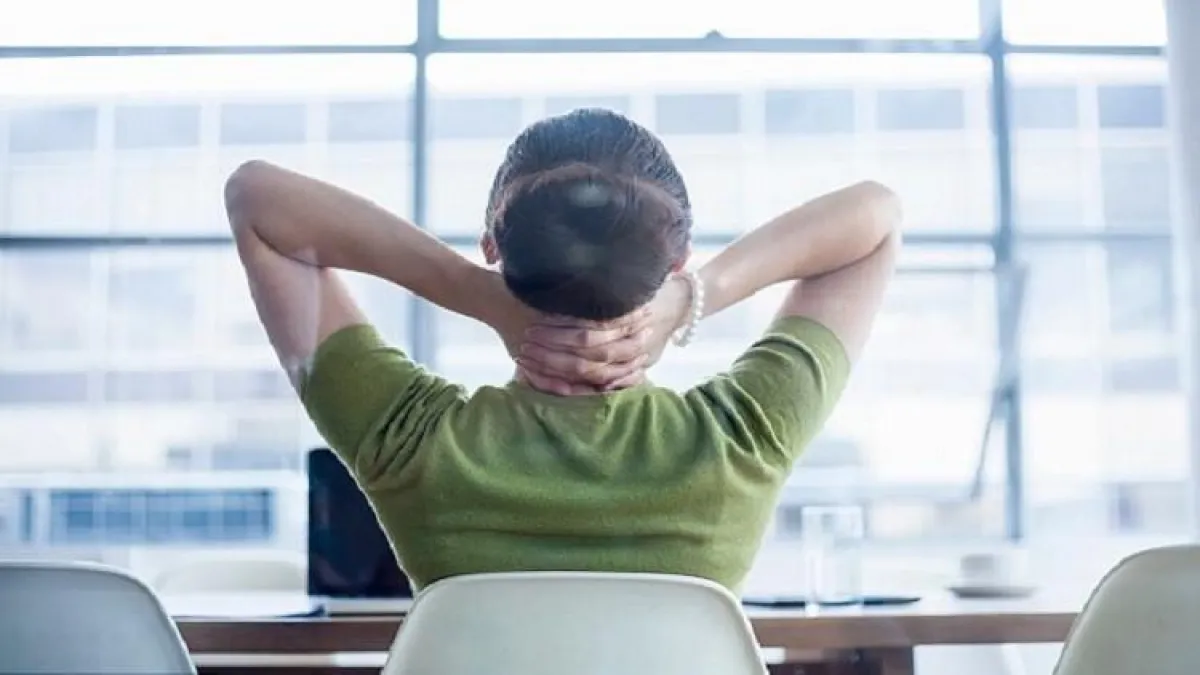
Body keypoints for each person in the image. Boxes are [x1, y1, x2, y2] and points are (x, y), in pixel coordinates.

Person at [224, 108, 900, 593]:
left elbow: (256, 196)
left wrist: (476, 293)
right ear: (675, 259)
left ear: (493, 247)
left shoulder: (408, 438)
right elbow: (875, 216)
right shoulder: (743, 438)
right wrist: (692, 297)